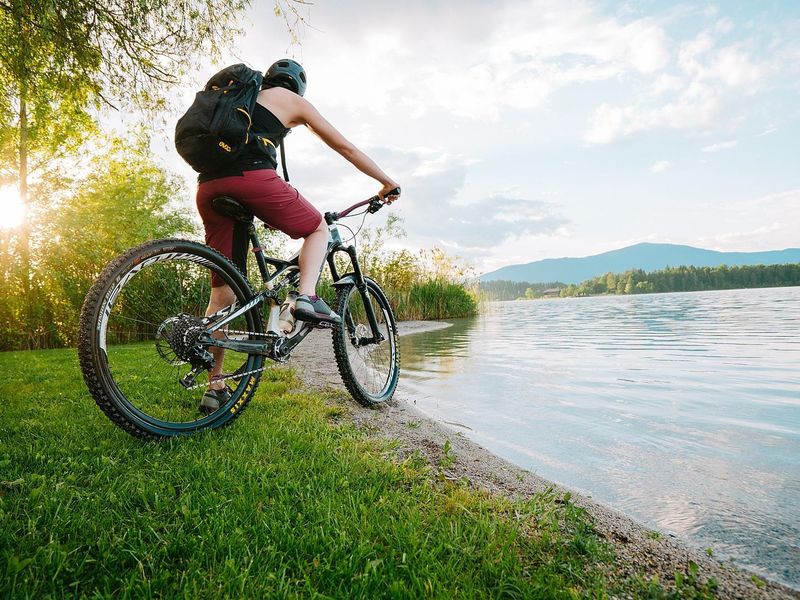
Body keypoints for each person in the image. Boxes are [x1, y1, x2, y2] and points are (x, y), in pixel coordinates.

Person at [195, 58, 400, 413]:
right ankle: (305, 297)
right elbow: (347, 148)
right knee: (318, 227)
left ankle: (213, 386)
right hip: (251, 179)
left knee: (222, 295)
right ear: (297, 86)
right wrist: (386, 181)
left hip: (208, 186)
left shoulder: (242, 99)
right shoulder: (292, 102)